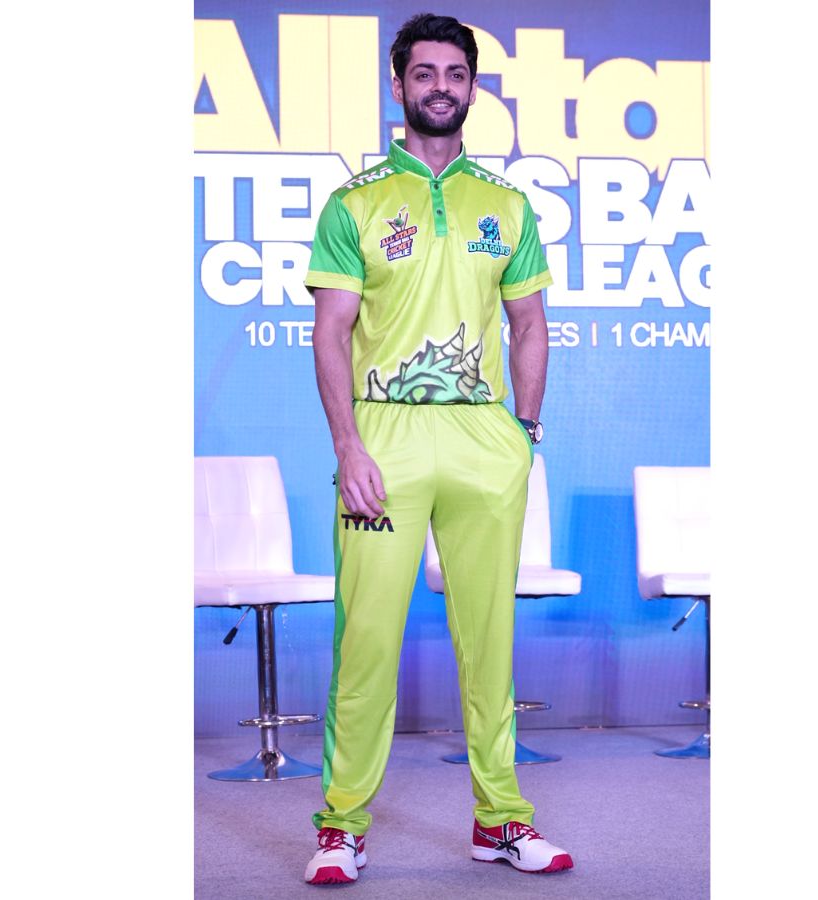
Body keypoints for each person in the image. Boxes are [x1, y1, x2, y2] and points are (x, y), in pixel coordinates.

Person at [301, 12, 573, 885]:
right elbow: (331, 331)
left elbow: (530, 324)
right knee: (367, 643)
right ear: (399, 85)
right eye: (424, 73)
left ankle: (500, 820)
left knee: (490, 643)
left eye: (456, 74)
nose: (441, 87)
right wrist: (348, 446)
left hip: (482, 438)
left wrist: (522, 433)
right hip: (383, 437)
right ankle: (342, 826)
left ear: (474, 87)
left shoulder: (507, 205)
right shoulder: (355, 203)